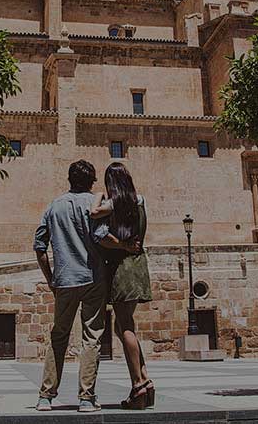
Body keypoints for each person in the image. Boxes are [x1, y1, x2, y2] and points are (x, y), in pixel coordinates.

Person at [33, 160, 138, 413]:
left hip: (65, 280)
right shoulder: (94, 206)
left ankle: (46, 397)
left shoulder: (53, 206)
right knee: (92, 338)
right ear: (92, 182)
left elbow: (39, 246)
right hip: (93, 278)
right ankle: (86, 398)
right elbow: (101, 236)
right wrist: (124, 246)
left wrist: (50, 279)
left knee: (59, 336)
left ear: (69, 180)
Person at [90, 162, 155, 410]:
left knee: (124, 325)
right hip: (139, 266)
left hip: (122, 267)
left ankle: (138, 385)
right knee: (125, 325)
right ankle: (146, 380)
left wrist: (98, 195)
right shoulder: (140, 200)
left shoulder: (113, 204)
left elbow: (94, 214)